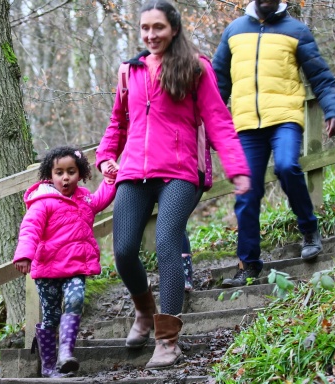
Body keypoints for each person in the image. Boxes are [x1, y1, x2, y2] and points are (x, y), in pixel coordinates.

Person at [96, 0, 251, 370]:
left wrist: (237, 168)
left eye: (158, 28)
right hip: (134, 171)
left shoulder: (196, 68)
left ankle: (167, 340)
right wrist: (105, 156)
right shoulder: (128, 71)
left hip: (181, 171)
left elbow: (218, 120)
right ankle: (144, 312)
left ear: (174, 29)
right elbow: (117, 122)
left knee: (167, 242)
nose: (151, 35)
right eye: (145, 28)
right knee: (123, 250)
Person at [212, 0, 335, 288]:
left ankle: (309, 230)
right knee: (246, 191)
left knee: (286, 166)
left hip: (285, 117)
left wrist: (333, 109)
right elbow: (218, 83)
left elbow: (320, 76)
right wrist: (204, 124)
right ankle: (248, 264)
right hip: (246, 125)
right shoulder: (234, 31)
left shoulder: (295, 30)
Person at [13, 146, 116, 378]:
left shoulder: (84, 199)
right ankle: (48, 366)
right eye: (59, 172)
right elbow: (30, 229)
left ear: (80, 174)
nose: (65, 177)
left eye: (71, 171)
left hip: (75, 268)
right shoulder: (43, 201)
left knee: (76, 299)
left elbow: (100, 200)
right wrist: (24, 255)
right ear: (50, 176)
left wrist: (110, 180)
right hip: (47, 270)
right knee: (50, 316)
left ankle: (66, 353)